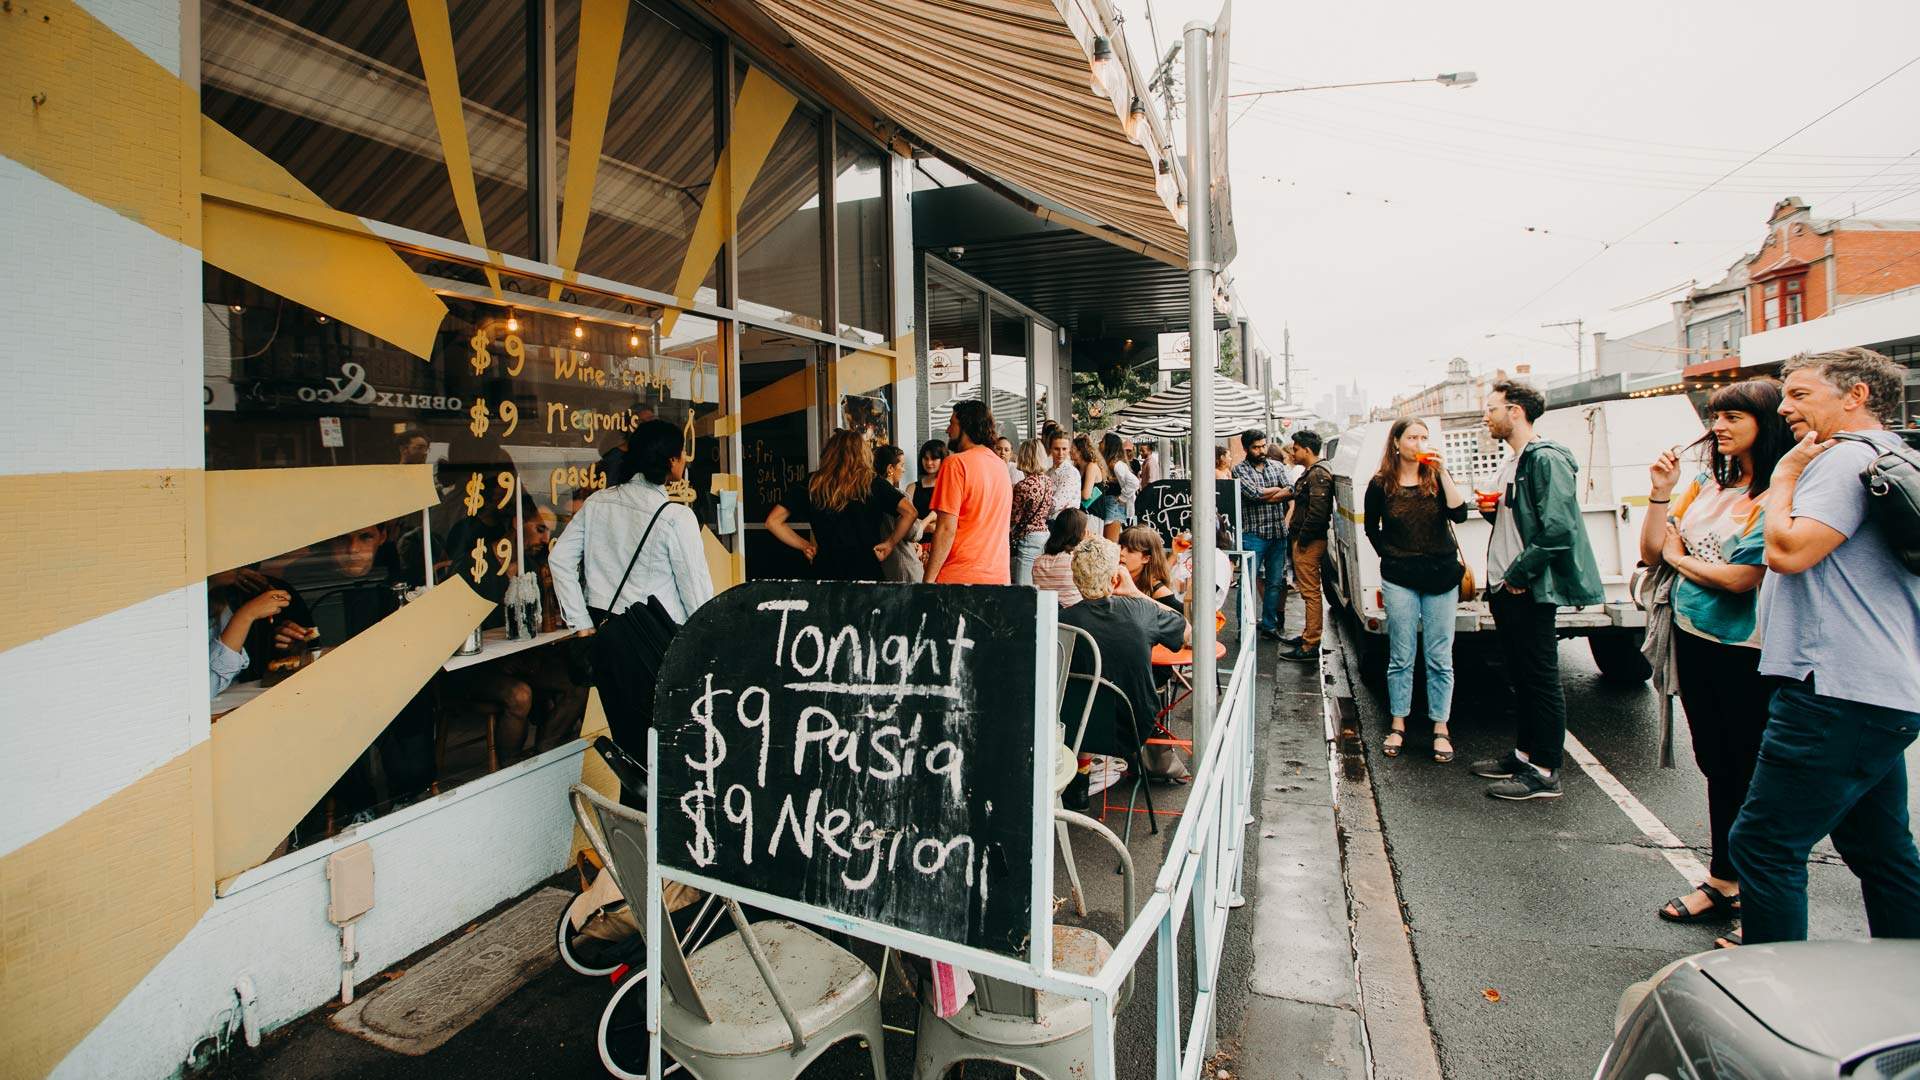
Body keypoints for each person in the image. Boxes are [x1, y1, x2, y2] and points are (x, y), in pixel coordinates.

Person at [1723, 348, 1920, 948]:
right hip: (1881, 689)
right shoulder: (1898, 453)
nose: (1785, 408)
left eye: (1801, 395)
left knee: (1763, 844)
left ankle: (1775, 1001)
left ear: (1855, 395)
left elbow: (1787, 550)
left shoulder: (1840, 462)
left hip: (1833, 690)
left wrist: (1782, 477)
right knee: (1880, 848)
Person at [1637, 380, 1792, 924]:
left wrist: (1678, 561)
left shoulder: (1778, 495)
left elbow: (1739, 578)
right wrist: (1661, 491)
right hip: (1694, 642)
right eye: (1716, 416)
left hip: (1747, 651)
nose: (1718, 426)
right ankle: (1723, 881)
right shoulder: (1704, 483)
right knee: (1716, 763)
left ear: (1765, 423)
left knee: (1750, 768)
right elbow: (1651, 548)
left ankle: (1762, 897)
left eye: (1733, 417)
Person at [1470, 380, 1604, 801]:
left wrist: (1516, 576)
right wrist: (1495, 514)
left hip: (1524, 587)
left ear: (1515, 411)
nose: (1485, 417)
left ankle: (1545, 770)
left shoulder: (1545, 459)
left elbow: (1559, 529)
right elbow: (1524, 525)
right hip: (1507, 586)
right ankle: (1524, 753)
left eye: (1491, 409)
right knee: (1521, 675)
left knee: (1540, 677)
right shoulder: (1514, 462)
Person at [1363, 418, 1469, 763]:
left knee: (1440, 656)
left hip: (1440, 574)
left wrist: (1444, 472)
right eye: (1412, 437)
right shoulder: (1380, 484)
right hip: (1400, 577)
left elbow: (1460, 514)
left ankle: (1441, 726)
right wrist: (1391, 556)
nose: (1419, 442)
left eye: (1424, 437)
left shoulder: (1436, 477)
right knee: (1401, 654)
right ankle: (1398, 722)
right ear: (1396, 442)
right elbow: (1371, 528)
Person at [550, 419, 715, 628]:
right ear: (672, 460)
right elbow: (695, 592)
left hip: (606, 631)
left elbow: (560, 558)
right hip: (657, 637)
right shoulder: (676, 517)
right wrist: (709, 635)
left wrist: (581, 622)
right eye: (682, 453)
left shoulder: (596, 502)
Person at [1057, 538, 1191, 764]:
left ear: (1076, 577)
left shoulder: (1062, 622)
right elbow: (1187, 631)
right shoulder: (1142, 611)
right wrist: (1135, 593)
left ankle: (1080, 778)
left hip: (1072, 728)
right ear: (1115, 577)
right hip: (1133, 726)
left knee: (1086, 695)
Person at [765, 429, 916, 582]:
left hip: (825, 571)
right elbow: (910, 512)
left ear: (829, 453)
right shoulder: (872, 483)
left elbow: (773, 522)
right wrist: (890, 543)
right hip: (866, 570)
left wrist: (805, 545)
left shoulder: (812, 483)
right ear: (862, 454)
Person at [926, 399, 1014, 584]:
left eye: (952, 423)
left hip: (960, 578)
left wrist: (927, 581)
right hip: (998, 576)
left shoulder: (955, 463)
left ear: (965, 426)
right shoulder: (1000, 466)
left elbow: (946, 529)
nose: (947, 430)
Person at [1232, 428, 1293, 641]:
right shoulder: (1239, 470)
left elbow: (1291, 490)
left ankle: (1269, 625)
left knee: (1275, 582)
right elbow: (1252, 494)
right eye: (1256, 447)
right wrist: (1276, 491)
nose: (1261, 450)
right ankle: (1244, 627)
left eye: (1263, 445)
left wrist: (1266, 494)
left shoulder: (1276, 466)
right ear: (1247, 448)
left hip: (1277, 532)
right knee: (1247, 584)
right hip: (1253, 534)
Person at [1281, 431, 1335, 662]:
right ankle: (1308, 636)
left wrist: (1302, 539)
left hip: (1309, 542)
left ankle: (1310, 644)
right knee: (1308, 592)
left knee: (1311, 593)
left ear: (1306, 449)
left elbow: (1318, 513)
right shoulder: (1313, 472)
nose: (1293, 453)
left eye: (1295, 448)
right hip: (1307, 539)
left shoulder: (1318, 474)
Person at [209, 583, 291, 697]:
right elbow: (205, 689)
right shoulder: (187, 601)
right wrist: (246, 614)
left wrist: (285, 639)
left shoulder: (222, 598)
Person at [1009, 439, 1054, 585]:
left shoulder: (1023, 485)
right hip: (1043, 535)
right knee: (1038, 583)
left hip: (1028, 538)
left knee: (1025, 588)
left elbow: (1014, 518)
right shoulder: (1047, 481)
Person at [1033, 509, 1091, 606]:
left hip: (1045, 614)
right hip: (1073, 615)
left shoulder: (1037, 562)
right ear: (1081, 533)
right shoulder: (1076, 561)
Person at [1118, 525, 1183, 613]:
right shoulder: (1112, 579)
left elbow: (1185, 617)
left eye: (1130, 550)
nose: (1121, 553)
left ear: (1146, 558)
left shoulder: (1159, 592)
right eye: (1120, 547)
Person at [1098, 432, 1140, 539]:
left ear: (1109, 445)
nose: (1099, 443)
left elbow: (1134, 482)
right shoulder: (1110, 463)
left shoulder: (1116, 464)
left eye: (1102, 441)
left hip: (1114, 505)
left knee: (1111, 544)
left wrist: (1122, 498)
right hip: (1110, 504)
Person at [910, 439, 948, 539]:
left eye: (934, 458)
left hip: (943, 544)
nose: (929, 462)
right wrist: (928, 527)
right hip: (917, 545)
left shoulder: (949, 486)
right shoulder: (912, 487)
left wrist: (926, 526)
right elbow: (906, 522)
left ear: (943, 459)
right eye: (926, 458)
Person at [1046, 430, 1083, 517]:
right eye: (1056, 449)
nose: (1060, 453)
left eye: (1064, 449)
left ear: (1069, 449)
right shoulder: (1049, 472)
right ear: (1050, 449)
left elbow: (1056, 504)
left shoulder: (1071, 473)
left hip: (1066, 524)